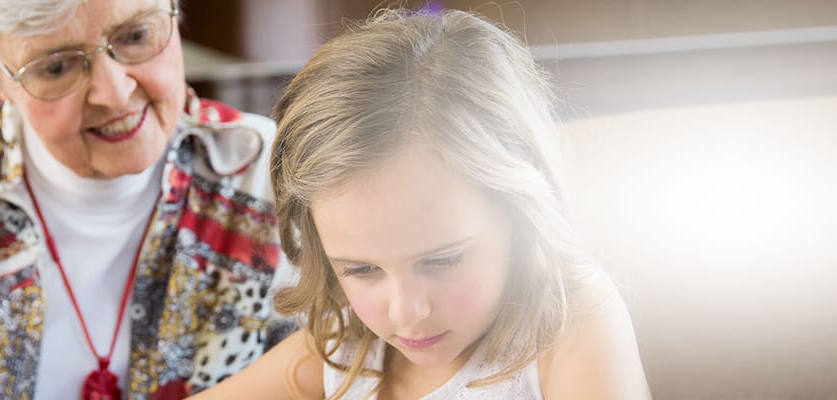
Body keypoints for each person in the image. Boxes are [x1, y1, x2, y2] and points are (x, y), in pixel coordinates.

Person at [194, 9, 652, 400]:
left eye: (443, 259)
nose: (405, 312)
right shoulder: (344, 345)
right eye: (361, 270)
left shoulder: (567, 324)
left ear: (520, 212)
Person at [0, 0, 295, 398]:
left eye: (134, 37)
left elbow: (343, 362)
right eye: (56, 67)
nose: (113, 92)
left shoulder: (277, 174)